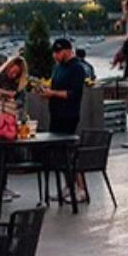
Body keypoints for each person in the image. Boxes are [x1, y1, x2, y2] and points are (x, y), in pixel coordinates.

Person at [42, 38, 94, 203]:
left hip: (68, 115)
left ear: (67, 51)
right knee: (59, 154)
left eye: (58, 52)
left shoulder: (77, 68)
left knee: (69, 152)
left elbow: (73, 94)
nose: (55, 56)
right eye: (54, 53)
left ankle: (81, 188)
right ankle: (68, 185)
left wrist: (54, 94)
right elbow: (55, 88)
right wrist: (47, 93)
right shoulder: (57, 68)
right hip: (55, 114)